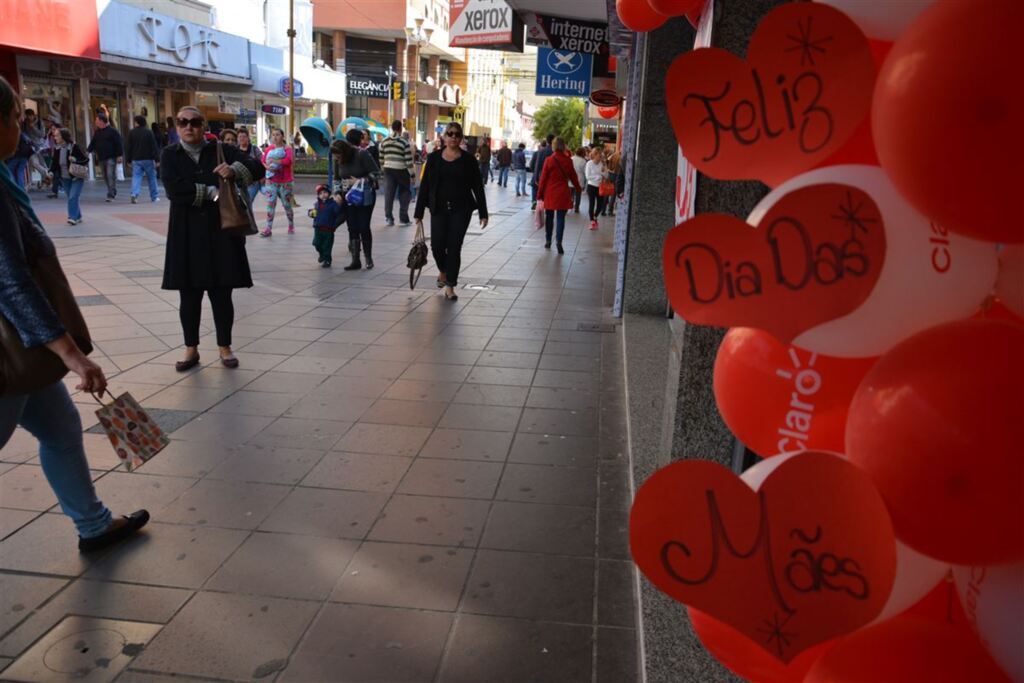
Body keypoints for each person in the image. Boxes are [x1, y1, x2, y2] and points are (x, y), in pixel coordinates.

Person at [0, 76, 150, 553]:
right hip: (11, 348)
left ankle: (93, 524)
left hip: (26, 346)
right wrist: (72, 354)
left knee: (61, 428)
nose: (23, 133)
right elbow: (10, 280)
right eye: (15, 120)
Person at [160, 106, 265, 371]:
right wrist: (211, 191)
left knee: (222, 295)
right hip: (185, 235)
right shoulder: (170, 154)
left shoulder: (220, 150)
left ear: (203, 125)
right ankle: (191, 348)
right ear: (176, 125)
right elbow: (174, 190)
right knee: (189, 296)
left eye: (195, 122)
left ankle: (225, 347)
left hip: (221, 233)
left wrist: (234, 170)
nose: (189, 127)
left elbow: (257, 167)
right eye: (182, 122)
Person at [414, 122, 488, 302]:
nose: (453, 137)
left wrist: (483, 212)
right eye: (450, 134)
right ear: (444, 137)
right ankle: (444, 271)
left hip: (461, 210)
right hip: (438, 209)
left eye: (457, 134)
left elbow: (478, 187)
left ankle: (450, 286)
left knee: (454, 247)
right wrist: (419, 212)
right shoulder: (433, 159)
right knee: (437, 246)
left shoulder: (469, 160)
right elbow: (425, 186)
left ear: (461, 138)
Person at [332, 127, 381, 271]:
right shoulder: (338, 159)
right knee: (352, 227)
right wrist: (337, 194)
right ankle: (355, 260)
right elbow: (336, 179)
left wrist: (360, 181)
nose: (337, 159)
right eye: (336, 157)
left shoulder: (362, 154)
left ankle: (368, 258)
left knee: (363, 226)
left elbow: (377, 173)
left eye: (339, 157)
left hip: (365, 196)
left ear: (345, 153)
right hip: (348, 197)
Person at [537, 137, 581, 255]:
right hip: (563, 193)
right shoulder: (568, 160)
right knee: (561, 218)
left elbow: (543, 179)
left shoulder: (549, 160)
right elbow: (574, 177)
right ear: (563, 146)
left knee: (549, 217)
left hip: (550, 193)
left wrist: (540, 194)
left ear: (554, 146)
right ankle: (559, 242)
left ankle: (548, 240)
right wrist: (578, 189)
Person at [260, 128, 294, 237]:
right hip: (271, 181)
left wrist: (275, 161)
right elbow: (263, 160)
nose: (275, 137)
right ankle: (268, 228)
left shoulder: (287, 149)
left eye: (277, 135)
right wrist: (267, 167)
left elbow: (289, 161)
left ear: (282, 136)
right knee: (270, 204)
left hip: (285, 182)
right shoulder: (269, 148)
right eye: (273, 135)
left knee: (287, 205)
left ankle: (291, 225)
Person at [380, 119, 414, 227]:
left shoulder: (384, 141)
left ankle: (389, 218)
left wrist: (383, 170)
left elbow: (381, 158)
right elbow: (408, 160)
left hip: (388, 169)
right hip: (401, 170)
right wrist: (412, 174)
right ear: (400, 128)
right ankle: (403, 219)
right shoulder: (404, 142)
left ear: (392, 128)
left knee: (389, 194)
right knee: (404, 193)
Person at [49, 128, 87, 225]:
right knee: (71, 197)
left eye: (57, 135)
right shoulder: (57, 149)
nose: (55, 137)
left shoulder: (74, 147)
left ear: (63, 137)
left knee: (73, 197)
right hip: (64, 178)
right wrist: (51, 172)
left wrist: (75, 159)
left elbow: (85, 160)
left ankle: (72, 217)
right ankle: (78, 216)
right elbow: (54, 163)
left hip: (76, 176)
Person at [87, 113, 123, 202]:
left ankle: (110, 194)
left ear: (101, 121)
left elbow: (119, 143)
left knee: (110, 175)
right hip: (101, 157)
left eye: (96, 120)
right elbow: (93, 142)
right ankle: (112, 190)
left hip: (111, 157)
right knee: (105, 176)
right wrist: (88, 151)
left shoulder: (113, 131)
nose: (95, 122)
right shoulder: (97, 132)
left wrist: (119, 155)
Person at [309, 184, 346, 267]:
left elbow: (338, 212)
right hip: (318, 228)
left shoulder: (333, 204)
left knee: (327, 246)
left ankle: (327, 260)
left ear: (329, 193)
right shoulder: (316, 204)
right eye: (321, 193)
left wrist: (339, 203)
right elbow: (313, 212)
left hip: (328, 230)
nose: (323, 195)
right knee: (316, 243)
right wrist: (310, 213)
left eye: (325, 192)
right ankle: (322, 255)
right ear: (318, 195)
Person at [126, 115, 160, 204]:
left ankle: (134, 193)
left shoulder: (131, 133)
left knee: (136, 177)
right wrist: (157, 159)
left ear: (137, 122)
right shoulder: (149, 132)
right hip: (148, 159)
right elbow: (154, 146)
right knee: (152, 178)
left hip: (136, 159)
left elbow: (128, 147)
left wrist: (128, 160)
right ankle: (154, 196)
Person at [236, 128, 264, 203]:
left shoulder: (254, 149)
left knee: (247, 202)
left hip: (253, 182)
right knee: (242, 203)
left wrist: (262, 177)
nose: (242, 138)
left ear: (248, 138)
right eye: (240, 137)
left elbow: (262, 162)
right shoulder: (235, 150)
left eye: (244, 136)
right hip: (240, 182)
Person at [585, 148, 608, 230]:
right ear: (594, 155)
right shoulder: (589, 164)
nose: (600, 156)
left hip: (600, 187)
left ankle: (595, 217)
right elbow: (588, 176)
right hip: (591, 186)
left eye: (601, 154)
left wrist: (604, 171)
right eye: (599, 155)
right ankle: (592, 221)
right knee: (591, 204)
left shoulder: (602, 164)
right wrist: (599, 176)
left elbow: (606, 175)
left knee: (600, 205)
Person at [530, 134, 555, 209]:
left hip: (541, 174)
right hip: (552, 176)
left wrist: (536, 177)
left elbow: (537, 165)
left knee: (536, 188)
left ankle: (535, 202)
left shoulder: (541, 151)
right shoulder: (555, 151)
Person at [604, 150, 622, 216]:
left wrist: (609, 168)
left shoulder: (613, 155)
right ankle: (610, 211)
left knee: (607, 192)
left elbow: (606, 161)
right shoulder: (621, 157)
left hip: (610, 174)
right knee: (613, 194)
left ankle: (603, 209)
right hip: (617, 175)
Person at [572, 148, 588, 214]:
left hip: (571, 179)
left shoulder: (571, 158)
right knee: (578, 195)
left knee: (571, 194)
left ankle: (570, 204)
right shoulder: (583, 161)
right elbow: (585, 172)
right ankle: (576, 208)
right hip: (580, 180)